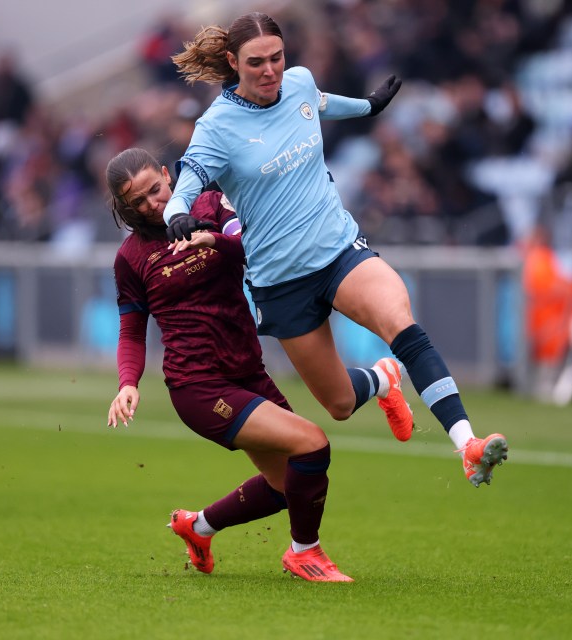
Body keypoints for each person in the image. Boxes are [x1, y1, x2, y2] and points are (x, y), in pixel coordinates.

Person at [165, 12, 508, 486]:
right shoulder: (216, 127)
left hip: (338, 250)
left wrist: (370, 107)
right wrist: (176, 216)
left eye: (278, 58)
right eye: (257, 62)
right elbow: (183, 190)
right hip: (280, 282)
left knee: (402, 324)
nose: (271, 71)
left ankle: (466, 444)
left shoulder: (299, 83)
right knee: (340, 404)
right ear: (232, 62)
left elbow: (322, 104)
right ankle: (386, 380)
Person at [106, 147, 352, 582]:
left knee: (286, 485)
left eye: (155, 190)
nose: (151, 205)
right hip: (198, 386)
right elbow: (131, 330)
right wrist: (128, 382)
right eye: (136, 202)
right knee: (313, 444)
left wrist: (212, 238)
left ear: (168, 176)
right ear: (124, 208)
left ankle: (196, 527)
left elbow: (251, 248)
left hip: (247, 371)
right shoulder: (131, 257)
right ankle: (304, 553)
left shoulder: (209, 204)